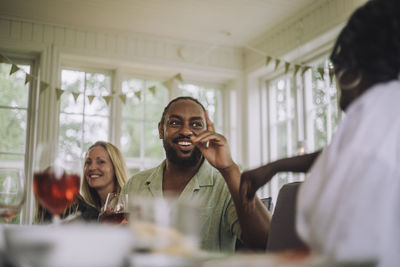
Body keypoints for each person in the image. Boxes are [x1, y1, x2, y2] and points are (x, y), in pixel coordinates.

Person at [241, 0, 400, 266]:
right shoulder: (387, 110)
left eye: (335, 74)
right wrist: (276, 166)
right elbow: (338, 153)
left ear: (351, 69)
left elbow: (347, 248)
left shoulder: (372, 126)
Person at [121, 96, 270, 252]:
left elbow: (266, 242)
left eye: (196, 124)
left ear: (206, 131)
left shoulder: (226, 183)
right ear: (161, 130)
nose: (186, 131)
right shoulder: (135, 184)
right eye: (174, 123)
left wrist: (228, 168)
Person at [34, 141, 128, 223]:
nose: (91, 167)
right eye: (88, 162)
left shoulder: (129, 206)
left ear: (116, 167)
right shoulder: (78, 208)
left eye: (101, 162)